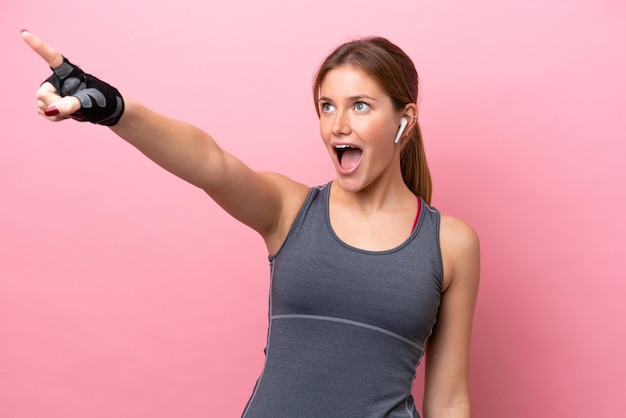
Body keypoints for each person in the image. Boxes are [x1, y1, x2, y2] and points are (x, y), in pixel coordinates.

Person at [22, 30, 480, 418]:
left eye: (360, 106)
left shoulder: (450, 244)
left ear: (405, 119)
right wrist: (115, 109)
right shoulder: (290, 210)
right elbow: (211, 163)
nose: (338, 125)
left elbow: (449, 399)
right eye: (326, 106)